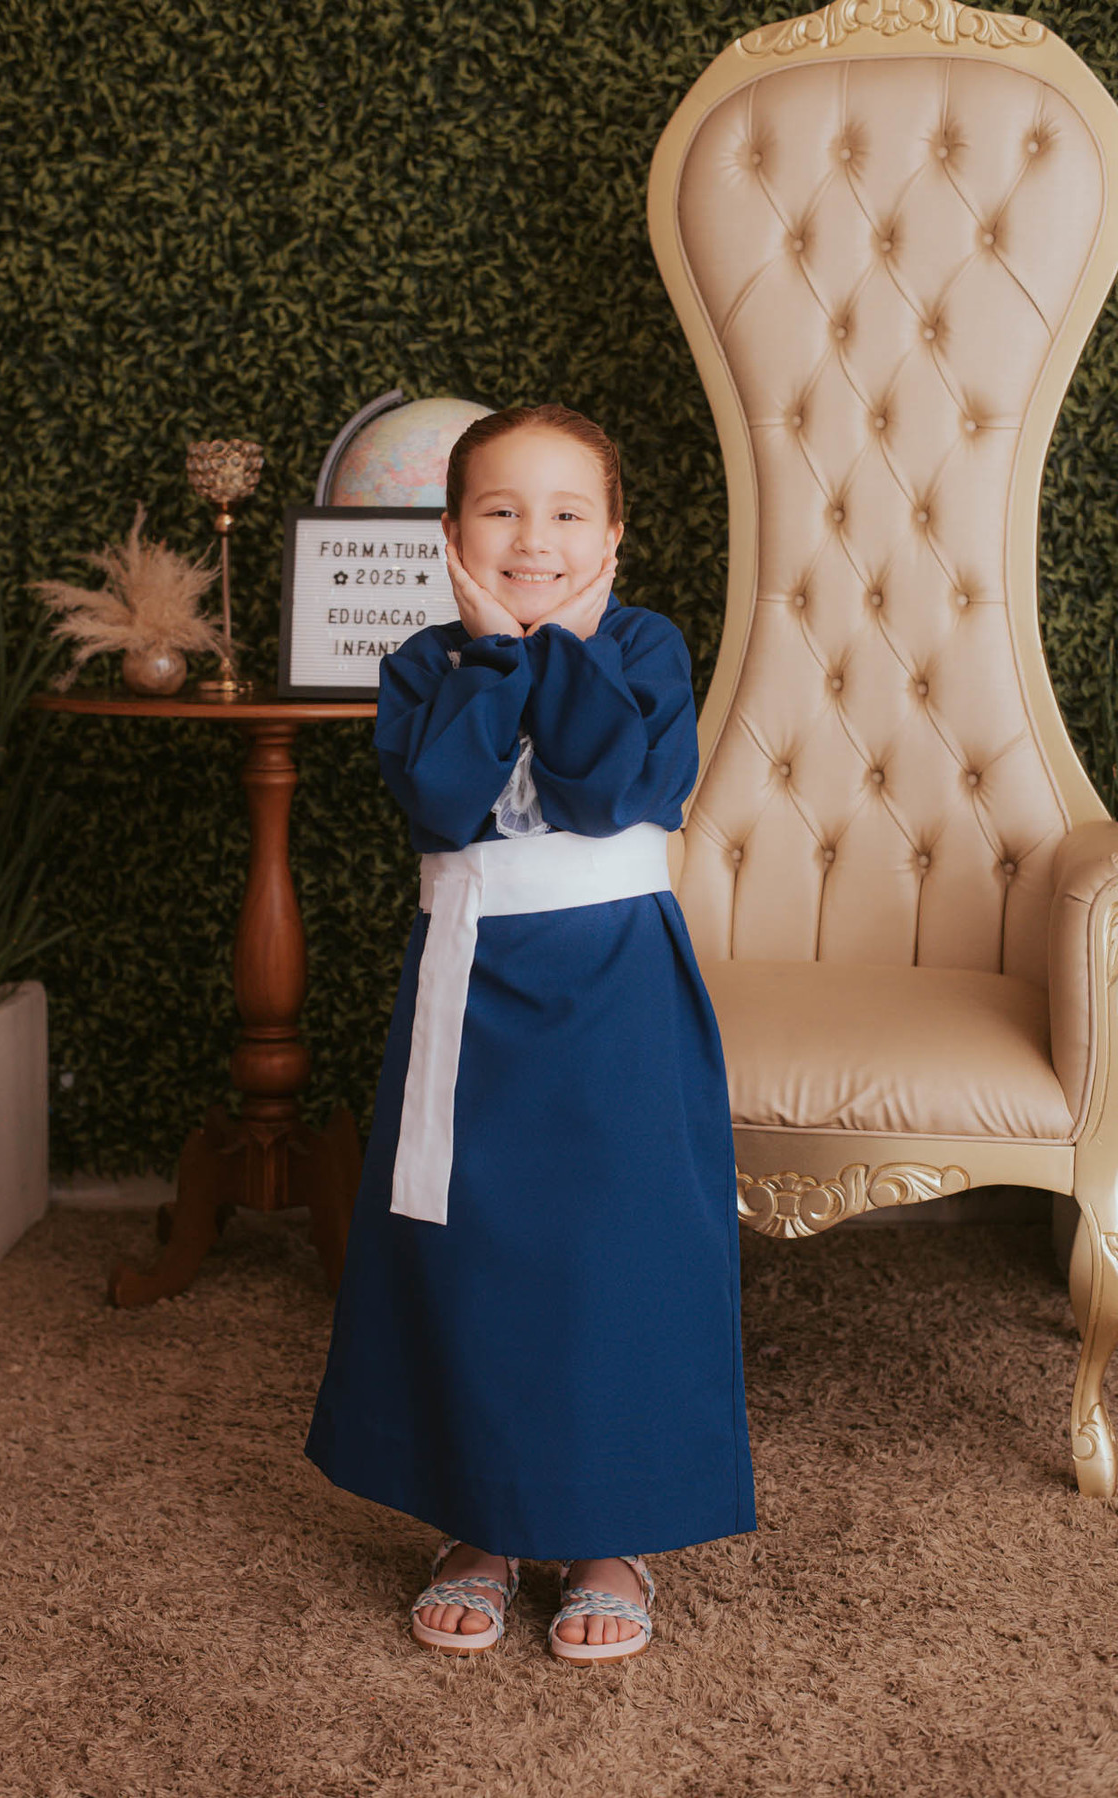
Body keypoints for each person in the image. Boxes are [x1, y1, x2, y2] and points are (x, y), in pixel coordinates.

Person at [305, 403, 755, 1664]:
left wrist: (555, 649)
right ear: (452, 534)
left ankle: (613, 1536)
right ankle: (481, 1525)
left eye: (566, 514)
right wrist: (496, 655)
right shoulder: (423, 664)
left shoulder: (648, 647)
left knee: (617, 1251)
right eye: (501, 511)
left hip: (617, 990)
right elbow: (442, 799)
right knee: (471, 1250)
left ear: (613, 537)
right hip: (470, 988)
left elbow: (609, 789)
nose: (533, 539)